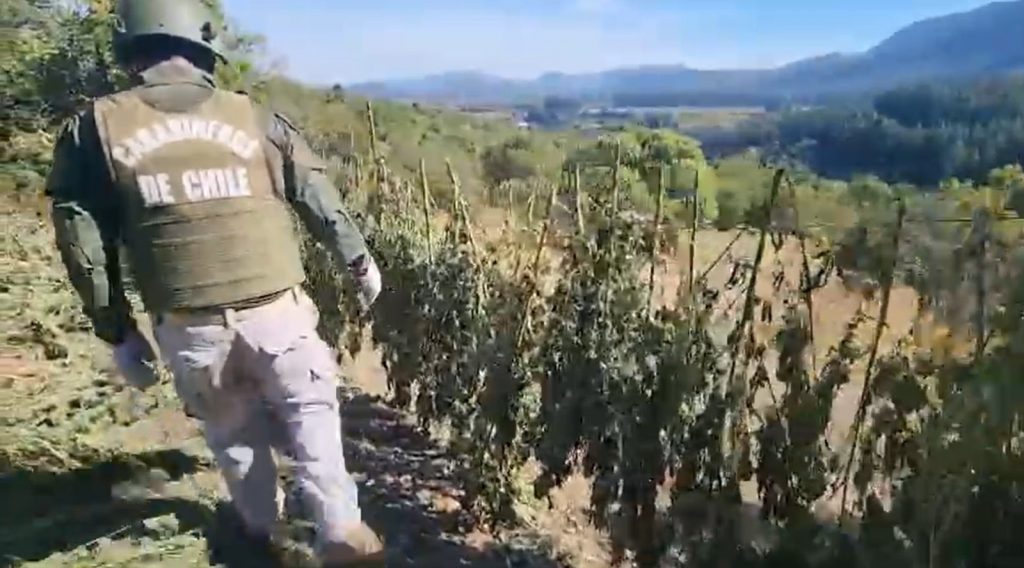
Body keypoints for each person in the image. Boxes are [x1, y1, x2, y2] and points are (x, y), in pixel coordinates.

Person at [45, 1, 385, 565]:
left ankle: (261, 540)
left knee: (237, 444)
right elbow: (318, 199)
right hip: (280, 317)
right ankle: (343, 538)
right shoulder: (251, 117)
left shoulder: (96, 128)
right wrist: (358, 261)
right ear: (204, 46)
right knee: (317, 438)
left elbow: (83, 243)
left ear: (131, 47)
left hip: (192, 329)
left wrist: (118, 333)